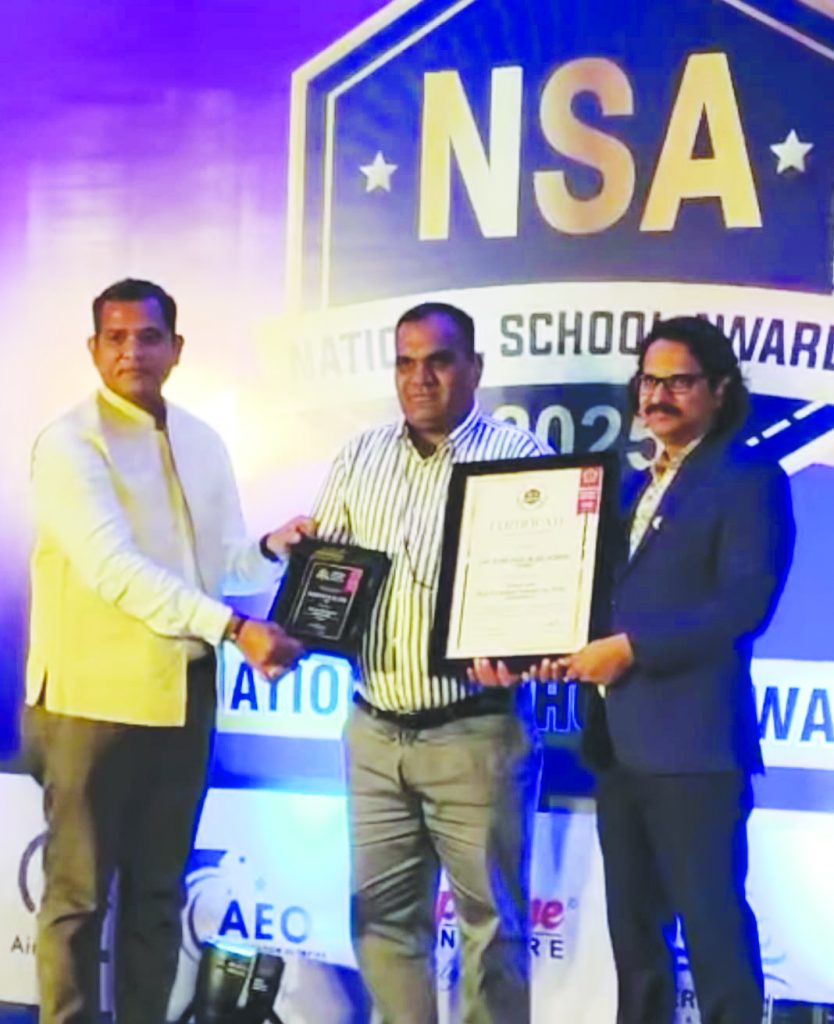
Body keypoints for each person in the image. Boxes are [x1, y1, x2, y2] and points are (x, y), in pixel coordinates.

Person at [23, 278, 311, 1024]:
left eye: (149, 337)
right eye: (116, 338)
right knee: (78, 899)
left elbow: (221, 566)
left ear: (176, 349)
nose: (133, 352)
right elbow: (116, 570)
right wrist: (236, 630)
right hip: (89, 702)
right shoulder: (69, 444)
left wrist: (272, 550)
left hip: (183, 696)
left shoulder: (202, 440)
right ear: (93, 350)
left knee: (157, 895)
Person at [313, 301, 549, 1024]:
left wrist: (527, 647)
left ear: (475, 367)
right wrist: (297, 607)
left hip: (474, 731)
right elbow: (329, 578)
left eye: (439, 361)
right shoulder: (357, 456)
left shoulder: (522, 459)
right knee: (381, 921)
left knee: (492, 927)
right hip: (374, 729)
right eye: (406, 363)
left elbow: (549, 593)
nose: (420, 378)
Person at [557, 317, 795, 1024]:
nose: (657, 395)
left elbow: (742, 606)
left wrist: (632, 648)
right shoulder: (630, 487)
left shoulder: (748, 478)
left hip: (696, 750)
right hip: (618, 748)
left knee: (713, 934)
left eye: (679, 381)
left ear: (719, 389)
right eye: (649, 380)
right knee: (635, 941)